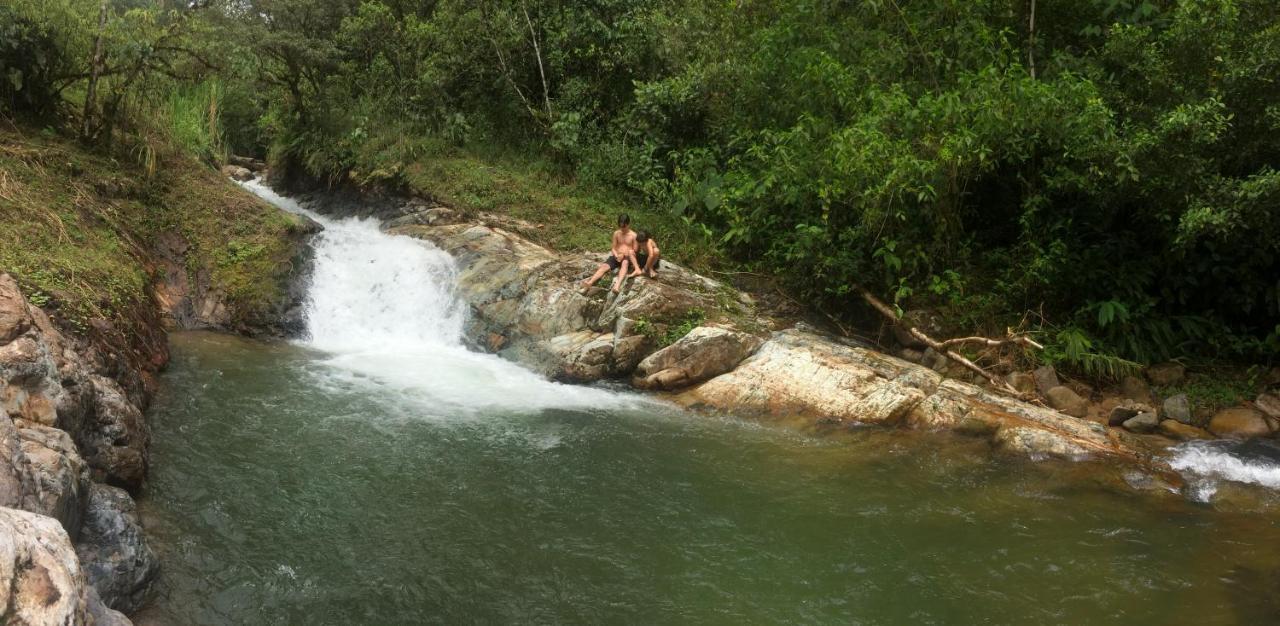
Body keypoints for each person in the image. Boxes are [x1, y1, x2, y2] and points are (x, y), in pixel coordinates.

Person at [581, 214, 639, 293]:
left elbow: (635, 251)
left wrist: (624, 255)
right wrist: (616, 255)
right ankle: (590, 283)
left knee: (625, 263)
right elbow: (613, 248)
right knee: (604, 266)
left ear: (628, 224)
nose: (622, 228)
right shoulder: (616, 233)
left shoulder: (633, 235)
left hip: (627, 257)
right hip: (617, 255)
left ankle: (617, 285)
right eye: (621, 226)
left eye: (624, 226)